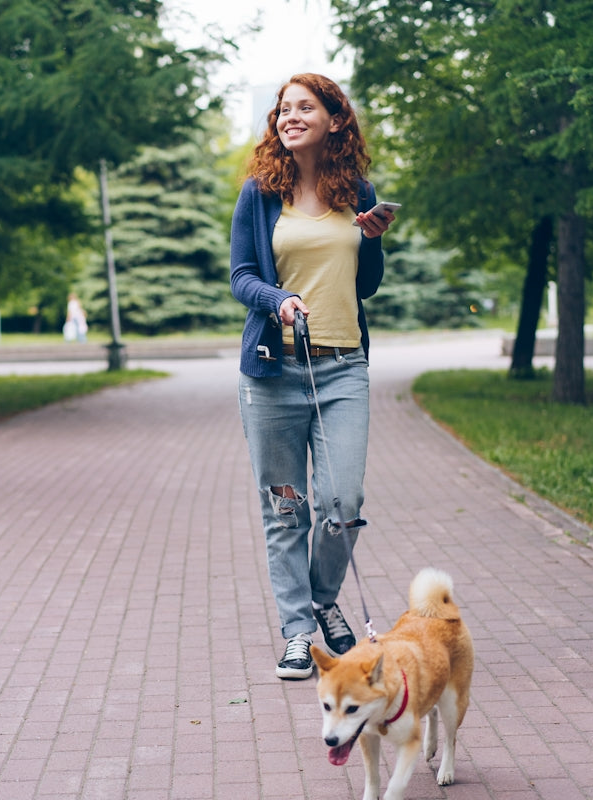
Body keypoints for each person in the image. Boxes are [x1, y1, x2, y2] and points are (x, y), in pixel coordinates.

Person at [229, 73, 394, 680]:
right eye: (284, 109)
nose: (290, 117)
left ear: (334, 119)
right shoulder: (259, 193)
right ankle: (299, 631)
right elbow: (241, 276)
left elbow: (366, 285)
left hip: (343, 368)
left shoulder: (357, 190)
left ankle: (322, 598)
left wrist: (372, 241)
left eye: (305, 107)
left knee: (342, 503)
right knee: (285, 509)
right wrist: (278, 300)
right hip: (273, 373)